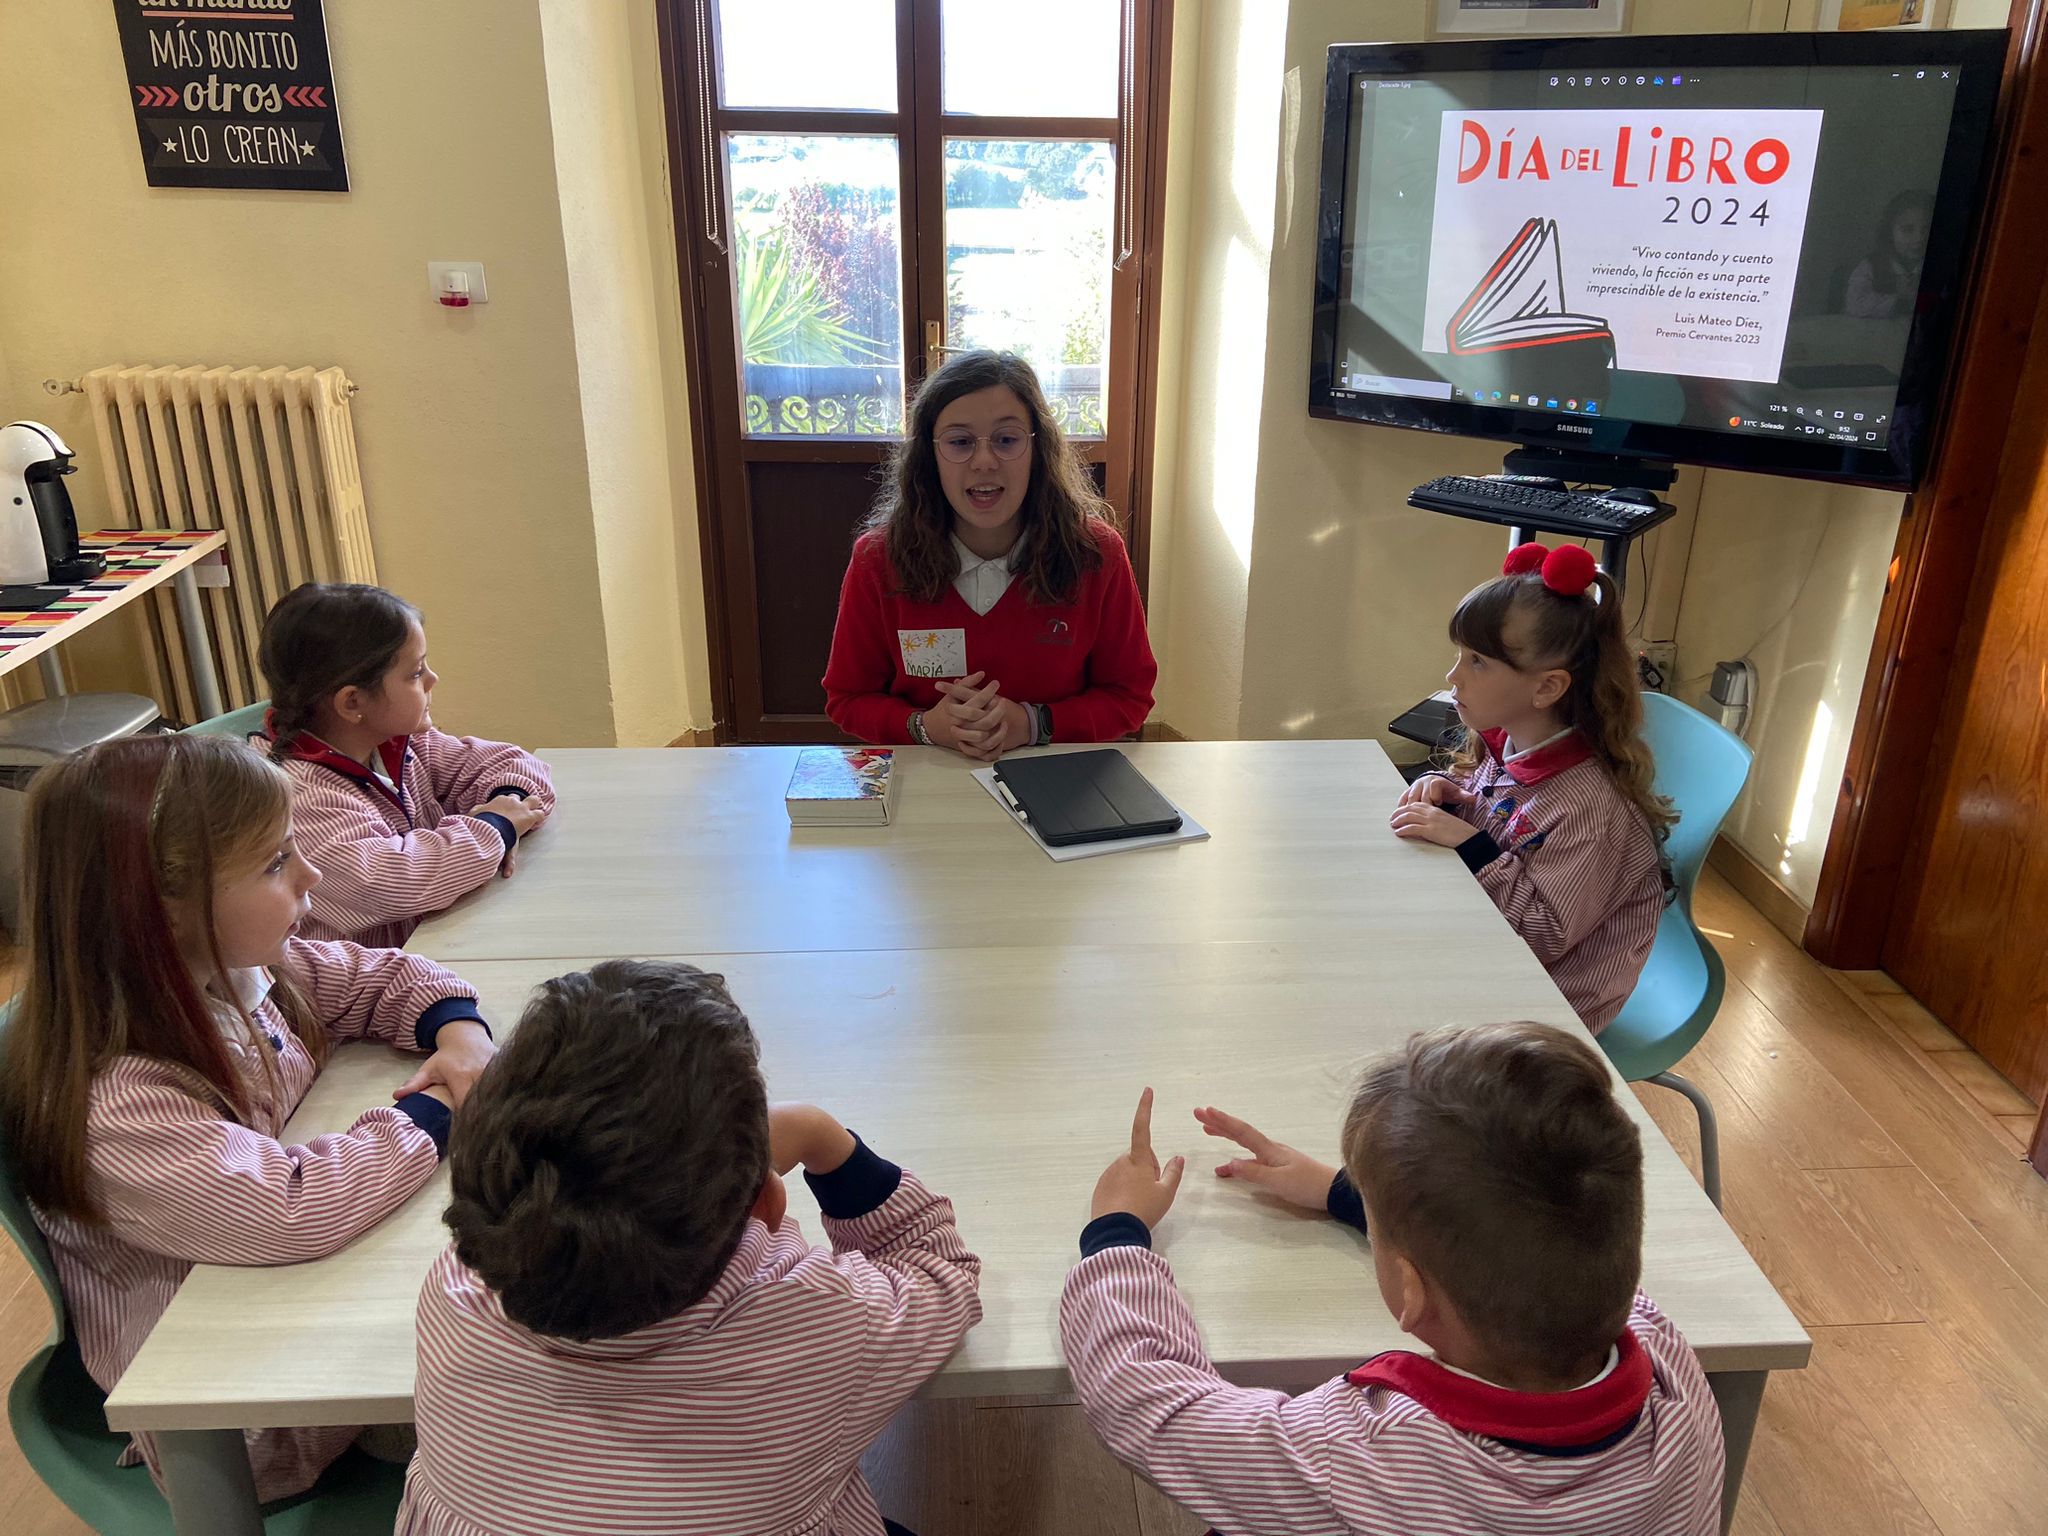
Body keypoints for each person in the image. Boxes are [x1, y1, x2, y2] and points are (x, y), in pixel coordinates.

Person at [0, 733, 496, 1499]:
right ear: (159, 912)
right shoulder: (114, 1104)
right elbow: (292, 1206)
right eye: (275, 863)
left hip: (294, 1306)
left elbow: (380, 978)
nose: (311, 874)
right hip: (247, 1419)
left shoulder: (239, 967)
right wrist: (438, 1108)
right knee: (532, 1376)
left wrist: (460, 1036)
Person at [1060, 1024, 1725, 1535]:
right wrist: (1353, 1195)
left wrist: (1117, 1233)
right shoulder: (1676, 1373)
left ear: (1411, 1293)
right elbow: (1540, 1245)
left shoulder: (1369, 1458)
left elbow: (1153, 1409)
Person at [397, 959, 982, 1536]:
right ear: (767, 1205)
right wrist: (822, 1137)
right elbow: (939, 1271)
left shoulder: (455, 1295)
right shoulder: (818, 1326)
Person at [1390, 543, 1672, 1032]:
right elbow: (1499, 812)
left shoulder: (1590, 811)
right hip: (1488, 951)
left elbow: (1542, 937)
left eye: (1477, 661)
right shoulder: (1510, 743)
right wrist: (1449, 793)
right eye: (1460, 655)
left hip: (1547, 1009)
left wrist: (1470, 844)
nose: (1453, 676)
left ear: (1546, 688)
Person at [822, 350, 1157, 758]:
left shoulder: (1096, 553)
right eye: (960, 442)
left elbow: (1129, 696)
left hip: (1055, 775)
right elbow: (848, 698)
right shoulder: (877, 559)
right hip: (928, 773)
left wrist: (1033, 724)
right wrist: (925, 727)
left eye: (1006, 439)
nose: (984, 461)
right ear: (930, 455)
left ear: (1037, 449)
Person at [258, 581, 554, 947]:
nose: (433, 679)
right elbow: (400, 882)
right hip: (370, 979)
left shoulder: (398, 742)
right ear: (353, 703)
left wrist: (510, 802)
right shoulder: (297, 799)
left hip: (437, 943)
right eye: (415, 673)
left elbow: (509, 761)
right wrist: (497, 827)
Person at [1844, 190, 1931, 321]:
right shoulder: (1872, 265)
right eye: (1908, 230)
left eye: (1926, 229)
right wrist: (1899, 299)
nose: (1919, 238)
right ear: (1890, 232)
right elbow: (1854, 304)